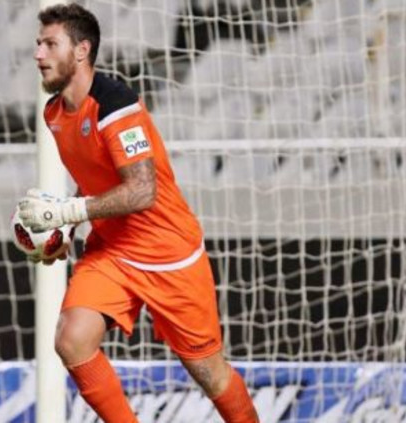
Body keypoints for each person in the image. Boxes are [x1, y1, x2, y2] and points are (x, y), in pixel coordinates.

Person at [17, 3, 259, 422]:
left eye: (50, 44)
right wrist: (66, 228)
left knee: (209, 373)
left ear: (81, 50)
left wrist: (67, 212)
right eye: (38, 44)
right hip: (113, 251)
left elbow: (143, 191)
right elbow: (93, 176)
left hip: (170, 254)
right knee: (72, 340)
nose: (38, 54)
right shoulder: (54, 113)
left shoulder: (116, 105)